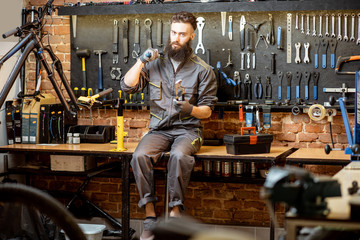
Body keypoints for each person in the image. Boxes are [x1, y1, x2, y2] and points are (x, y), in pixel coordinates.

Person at [121, 11, 218, 240]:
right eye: (173, 32)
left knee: (179, 156)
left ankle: (174, 214)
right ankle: (150, 216)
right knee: (139, 156)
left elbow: (207, 111)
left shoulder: (203, 69)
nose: (176, 38)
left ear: (192, 36)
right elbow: (127, 86)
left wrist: (190, 109)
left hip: (188, 131)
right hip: (159, 130)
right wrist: (141, 61)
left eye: (182, 34)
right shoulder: (154, 64)